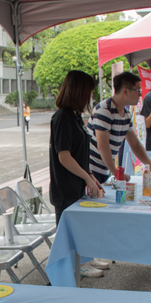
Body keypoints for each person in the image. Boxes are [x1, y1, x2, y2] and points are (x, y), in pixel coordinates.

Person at [49, 70, 105, 276]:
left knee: (79, 229)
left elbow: (79, 153)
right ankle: (71, 268)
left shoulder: (74, 116)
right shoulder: (62, 118)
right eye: (89, 92)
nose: (90, 97)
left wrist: (91, 176)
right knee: (67, 233)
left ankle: (82, 261)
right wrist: (87, 178)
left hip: (76, 185)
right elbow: (64, 157)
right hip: (65, 188)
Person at [87, 71, 151, 184]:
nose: (140, 95)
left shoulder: (126, 114)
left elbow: (135, 144)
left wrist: (150, 166)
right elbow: (102, 146)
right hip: (91, 172)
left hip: (104, 172)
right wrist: (117, 174)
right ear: (125, 91)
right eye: (138, 91)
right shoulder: (104, 110)